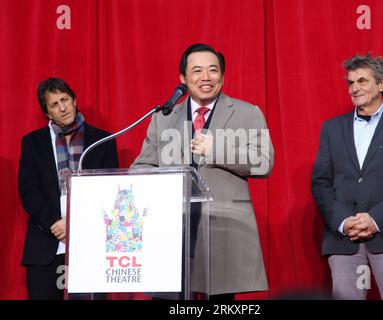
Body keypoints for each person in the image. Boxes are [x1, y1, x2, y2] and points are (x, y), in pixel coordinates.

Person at [131, 43, 274, 299]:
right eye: (197, 71)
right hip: (171, 232)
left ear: (222, 75)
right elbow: (142, 166)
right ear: (183, 79)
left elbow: (264, 162)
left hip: (222, 230)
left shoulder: (247, 113)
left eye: (213, 70)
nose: (206, 78)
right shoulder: (163, 117)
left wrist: (216, 149)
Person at [311, 54, 383, 300]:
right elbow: (321, 182)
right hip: (344, 239)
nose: (355, 88)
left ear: (381, 84)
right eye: (350, 83)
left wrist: (375, 219)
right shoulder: (331, 128)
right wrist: (343, 222)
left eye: (362, 81)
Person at [18, 77, 119, 299]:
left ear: (75, 100)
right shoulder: (32, 142)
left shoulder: (102, 140)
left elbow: (109, 190)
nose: (62, 107)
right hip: (47, 243)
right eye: (54, 104)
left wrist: (75, 223)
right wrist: (55, 223)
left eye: (65, 99)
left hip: (90, 244)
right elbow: (29, 190)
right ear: (47, 112)